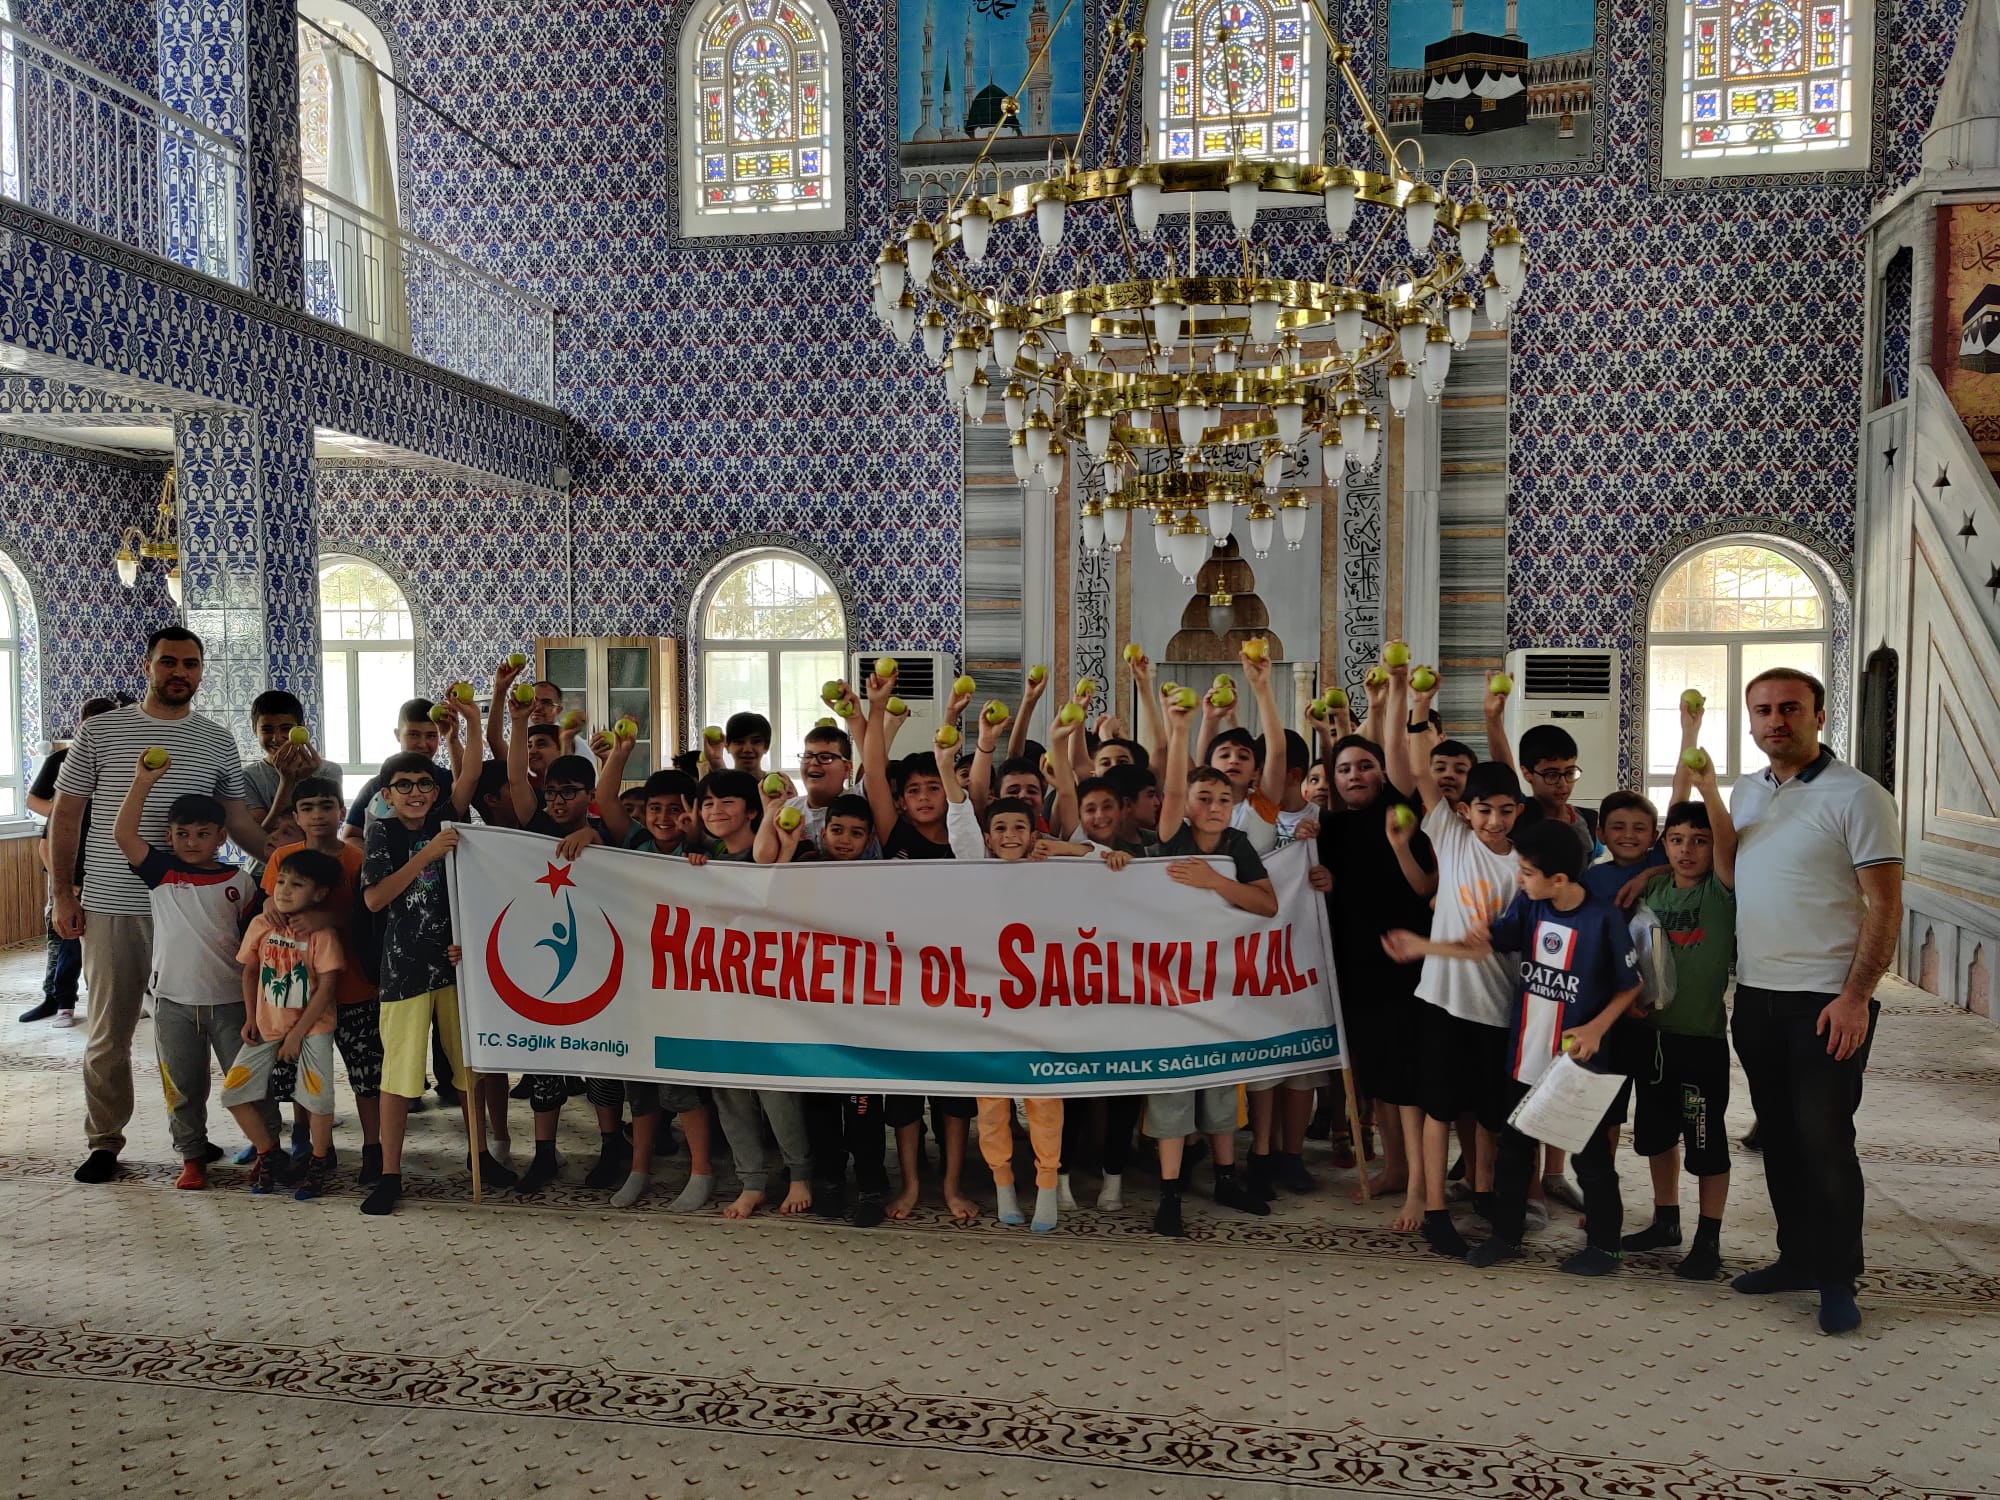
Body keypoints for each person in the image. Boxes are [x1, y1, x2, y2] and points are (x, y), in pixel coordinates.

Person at [50, 627, 273, 1185]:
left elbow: (238, 820)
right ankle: (104, 1141)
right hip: (117, 903)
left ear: (202, 670)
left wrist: (289, 857)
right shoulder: (101, 731)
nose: (181, 672)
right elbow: (68, 815)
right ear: (148, 665)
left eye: (191, 664)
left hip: (198, 913)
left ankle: (198, 1141)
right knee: (110, 1031)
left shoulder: (216, 739)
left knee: (208, 1029)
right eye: (169, 662)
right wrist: (62, 893)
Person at [1386, 818, 1643, 1275]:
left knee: (1592, 1162)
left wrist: (1597, 1028)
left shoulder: (1602, 919)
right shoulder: (1529, 906)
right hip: (1524, 1057)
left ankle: (1605, 1247)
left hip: (1578, 1067)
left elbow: (1631, 985)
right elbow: (1483, 948)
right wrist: (1424, 946)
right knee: (1513, 1154)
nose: (1518, 878)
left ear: (1559, 879)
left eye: (1525, 871)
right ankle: (1506, 1236)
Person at [1728, 667, 1902, 1335]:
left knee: (1825, 1139)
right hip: (1757, 998)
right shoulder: (1747, 792)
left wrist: (1857, 996)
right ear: (1751, 721)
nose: (1777, 720)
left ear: (1819, 716)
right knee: (1779, 1137)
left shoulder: (1859, 796)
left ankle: (1837, 1276)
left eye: (1791, 708)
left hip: (1827, 1002)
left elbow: (1886, 905)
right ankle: (1796, 1258)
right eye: (1765, 710)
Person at [357, 696, 508, 1215]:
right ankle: (390, 1172)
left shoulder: (449, 818)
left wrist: (467, 722)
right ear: (387, 793)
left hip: (453, 964)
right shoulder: (383, 834)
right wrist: (424, 853)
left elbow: (467, 777)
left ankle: (480, 1155)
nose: (416, 793)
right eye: (404, 786)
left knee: (468, 1069)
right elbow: (375, 898)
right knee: (399, 1075)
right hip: (402, 971)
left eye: (424, 784)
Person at [1139, 692, 1280, 1237]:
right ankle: (1170, 1192)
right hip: (1169, 989)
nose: (1216, 804)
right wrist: (1179, 729)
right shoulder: (1171, 838)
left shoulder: (1239, 845)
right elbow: (1173, 786)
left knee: (1222, 1087)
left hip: (1220, 986)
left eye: (1225, 796)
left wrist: (1216, 881)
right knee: (1173, 1092)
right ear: (1188, 803)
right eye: (1205, 795)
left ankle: (1226, 1176)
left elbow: (1266, 904)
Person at [109, 753, 270, 1191]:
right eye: (182, 834)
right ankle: (192, 1157)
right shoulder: (162, 872)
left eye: (202, 834)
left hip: (233, 1002)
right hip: (173, 1003)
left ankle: (266, 1150)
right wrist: (142, 780)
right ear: (169, 837)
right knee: (182, 1087)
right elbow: (122, 833)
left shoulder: (241, 881)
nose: (192, 842)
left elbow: (256, 945)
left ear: (221, 836)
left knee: (249, 1082)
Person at [1623, 721, 1737, 1281]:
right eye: (1676, 840)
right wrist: (1651, 864)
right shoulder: (1657, 887)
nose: (1687, 849)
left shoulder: (1720, 890)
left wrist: (1707, 784)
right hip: (1653, 1038)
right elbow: (1670, 813)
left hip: (1699, 1041)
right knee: (1654, 1135)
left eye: (1699, 840)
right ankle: (1665, 1219)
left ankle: (1707, 1239)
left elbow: (1713, 828)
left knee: (1706, 1141)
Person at [1317, 731, 1437, 1228]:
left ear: (1383, 771)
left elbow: (1425, 884)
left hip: (1406, 963)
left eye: (1364, 766)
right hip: (1355, 965)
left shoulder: (1403, 813)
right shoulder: (1332, 829)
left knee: (1406, 1079)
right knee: (1378, 1080)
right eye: (1344, 769)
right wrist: (1322, 878)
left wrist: (1391, 695)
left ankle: (1420, 1187)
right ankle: (1394, 1167)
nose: (1355, 776)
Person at [262, 777, 384, 1185]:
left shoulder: (356, 860)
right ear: (295, 816)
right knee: (303, 1073)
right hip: (297, 993)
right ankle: (313, 1147)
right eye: (308, 807)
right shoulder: (282, 858)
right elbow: (269, 902)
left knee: (366, 1075)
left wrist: (326, 919)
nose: (318, 815)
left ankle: (373, 1148)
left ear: (341, 810)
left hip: (352, 988)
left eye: (326, 806)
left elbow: (371, 917)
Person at [222, 849, 347, 1200]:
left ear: (319, 894)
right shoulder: (263, 925)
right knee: (233, 1092)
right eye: (281, 881)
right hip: (266, 1028)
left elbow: (327, 990)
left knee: (318, 1100)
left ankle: (317, 1163)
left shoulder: (320, 933)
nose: (284, 890)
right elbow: (249, 971)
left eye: (297, 884)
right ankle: (270, 1154)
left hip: (313, 1030)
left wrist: (296, 1035)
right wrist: (251, 1017)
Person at [22, 695, 118, 1025]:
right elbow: (35, 800)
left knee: (104, 944)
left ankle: (117, 999)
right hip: (68, 866)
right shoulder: (63, 759)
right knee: (62, 937)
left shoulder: (123, 760)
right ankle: (58, 999)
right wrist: (68, 813)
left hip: (106, 865)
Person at [241, 689, 344, 875]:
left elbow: (324, 829)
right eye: (267, 729)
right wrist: (287, 781)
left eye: (286, 729)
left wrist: (305, 781)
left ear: (301, 728)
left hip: (316, 871)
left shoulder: (329, 771)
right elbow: (262, 839)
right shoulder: (247, 777)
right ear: (254, 729)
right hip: (263, 873)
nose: (277, 738)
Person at [340, 699, 448, 848]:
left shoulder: (447, 780)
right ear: (398, 735)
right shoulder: (375, 786)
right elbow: (350, 836)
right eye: (413, 735)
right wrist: (381, 857)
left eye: (431, 736)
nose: (423, 744)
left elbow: (470, 777)